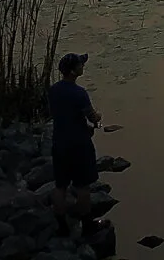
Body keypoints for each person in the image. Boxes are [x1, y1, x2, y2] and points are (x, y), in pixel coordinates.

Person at [49, 52, 103, 237]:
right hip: (79, 145)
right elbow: (91, 116)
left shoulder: (54, 90)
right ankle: (87, 225)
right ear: (73, 71)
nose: (83, 66)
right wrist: (98, 118)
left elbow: (61, 114)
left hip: (59, 143)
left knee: (60, 185)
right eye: (80, 64)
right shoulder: (79, 93)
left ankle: (61, 225)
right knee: (82, 186)